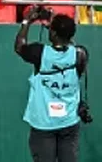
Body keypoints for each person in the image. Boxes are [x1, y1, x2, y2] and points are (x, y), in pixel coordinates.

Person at [17, 8, 89, 162]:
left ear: (53, 33)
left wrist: (27, 22)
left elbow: (19, 46)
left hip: (44, 124)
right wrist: (58, 26)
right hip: (69, 121)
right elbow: (78, 70)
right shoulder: (80, 54)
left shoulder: (39, 53)